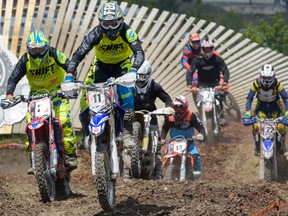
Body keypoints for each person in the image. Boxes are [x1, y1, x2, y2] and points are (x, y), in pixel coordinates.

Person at [66, 1, 145, 151]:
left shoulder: (128, 32)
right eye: (106, 23)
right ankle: (86, 134)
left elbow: (139, 52)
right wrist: (70, 73)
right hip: (100, 65)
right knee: (85, 95)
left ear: (121, 21)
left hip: (122, 65)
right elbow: (79, 53)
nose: (110, 28)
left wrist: (134, 69)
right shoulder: (96, 33)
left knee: (126, 91)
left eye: (113, 23)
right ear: (100, 22)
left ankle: (127, 131)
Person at [5, 30, 77, 174]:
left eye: (40, 49)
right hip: (36, 96)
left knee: (64, 119)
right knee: (30, 125)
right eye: (34, 50)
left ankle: (70, 155)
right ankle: (34, 159)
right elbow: (13, 77)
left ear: (46, 47)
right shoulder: (26, 60)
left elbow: (69, 65)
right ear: (29, 50)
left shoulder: (54, 53)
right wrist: (9, 94)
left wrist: (69, 77)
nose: (37, 53)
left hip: (56, 92)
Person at [129, 59, 172, 180]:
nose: (141, 80)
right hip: (134, 116)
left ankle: (158, 173)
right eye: (139, 76)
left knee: (157, 147)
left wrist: (168, 108)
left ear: (148, 75)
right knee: (125, 143)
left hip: (150, 115)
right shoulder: (130, 86)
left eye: (144, 77)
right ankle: (127, 171)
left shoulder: (154, 86)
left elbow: (167, 98)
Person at [243, 64, 288, 156]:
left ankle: (283, 144)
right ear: (261, 76)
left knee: (281, 127)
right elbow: (249, 98)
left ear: (273, 76)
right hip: (261, 107)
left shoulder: (277, 84)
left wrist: (287, 112)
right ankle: (257, 144)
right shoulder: (256, 83)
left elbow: (286, 99)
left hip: (275, 107)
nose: (267, 80)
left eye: (269, 78)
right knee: (256, 126)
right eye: (264, 77)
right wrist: (247, 112)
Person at [185, 39, 230, 125]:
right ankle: (201, 112)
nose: (207, 51)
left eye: (209, 48)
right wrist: (189, 84)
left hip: (215, 83)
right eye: (205, 49)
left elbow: (225, 70)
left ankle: (221, 116)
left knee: (219, 96)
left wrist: (225, 81)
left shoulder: (217, 59)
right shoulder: (197, 60)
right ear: (202, 49)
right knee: (195, 94)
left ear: (212, 49)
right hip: (201, 85)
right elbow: (190, 72)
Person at [160, 95, 206, 179]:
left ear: (185, 107)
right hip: (174, 142)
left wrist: (202, 134)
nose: (178, 110)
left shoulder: (191, 115)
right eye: (176, 107)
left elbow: (200, 127)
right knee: (164, 155)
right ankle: (162, 172)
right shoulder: (170, 117)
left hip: (189, 141)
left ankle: (196, 171)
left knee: (195, 154)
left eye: (181, 107)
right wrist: (162, 138)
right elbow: (164, 128)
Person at [182, 34, 221, 108]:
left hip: (204, 65)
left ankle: (220, 96)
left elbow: (214, 52)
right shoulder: (187, 49)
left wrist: (218, 58)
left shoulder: (203, 46)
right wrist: (189, 68)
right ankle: (198, 102)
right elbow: (184, 61)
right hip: (193, 67)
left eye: (197, 42)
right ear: (190, 42)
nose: (196, 44)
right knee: (195, 83)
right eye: (194, 42)